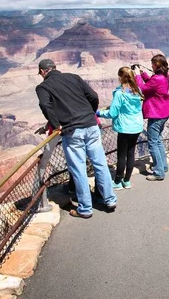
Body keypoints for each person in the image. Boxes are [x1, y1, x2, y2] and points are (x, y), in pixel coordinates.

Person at [36, 59, 117, 219]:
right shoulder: (73, 77)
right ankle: (110, 199)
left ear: (43, 71)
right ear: (54, 67)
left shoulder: (43, 87)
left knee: (78, 169)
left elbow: (46, 106)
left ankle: (85, 208)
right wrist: (89, 113)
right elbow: (93, 96)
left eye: (40, 73)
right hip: (91, 125)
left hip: (72, 130)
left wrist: (56, 125)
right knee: (100, 164)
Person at [97, 67, 144, 190]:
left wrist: (98, 113)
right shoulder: (137, 90)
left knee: (121, 155)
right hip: (137, 126)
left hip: (125, 127)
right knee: (131, 153)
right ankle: (127, 181)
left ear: (120, 78)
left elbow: (112, 113)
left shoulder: (120, 94)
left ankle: (117, 182)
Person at [135, 54, 169, 181]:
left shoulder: (157, 79)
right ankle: (163, 166)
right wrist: (144, 74)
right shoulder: (165, 76)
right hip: (164, 112)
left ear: (157, 65)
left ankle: (158, 172)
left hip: (156, 113)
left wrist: (137, 76)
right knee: (158, 140)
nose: (151, 65)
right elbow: (152, 83)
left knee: (152, 143)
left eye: (153, 64)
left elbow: (142, 89)